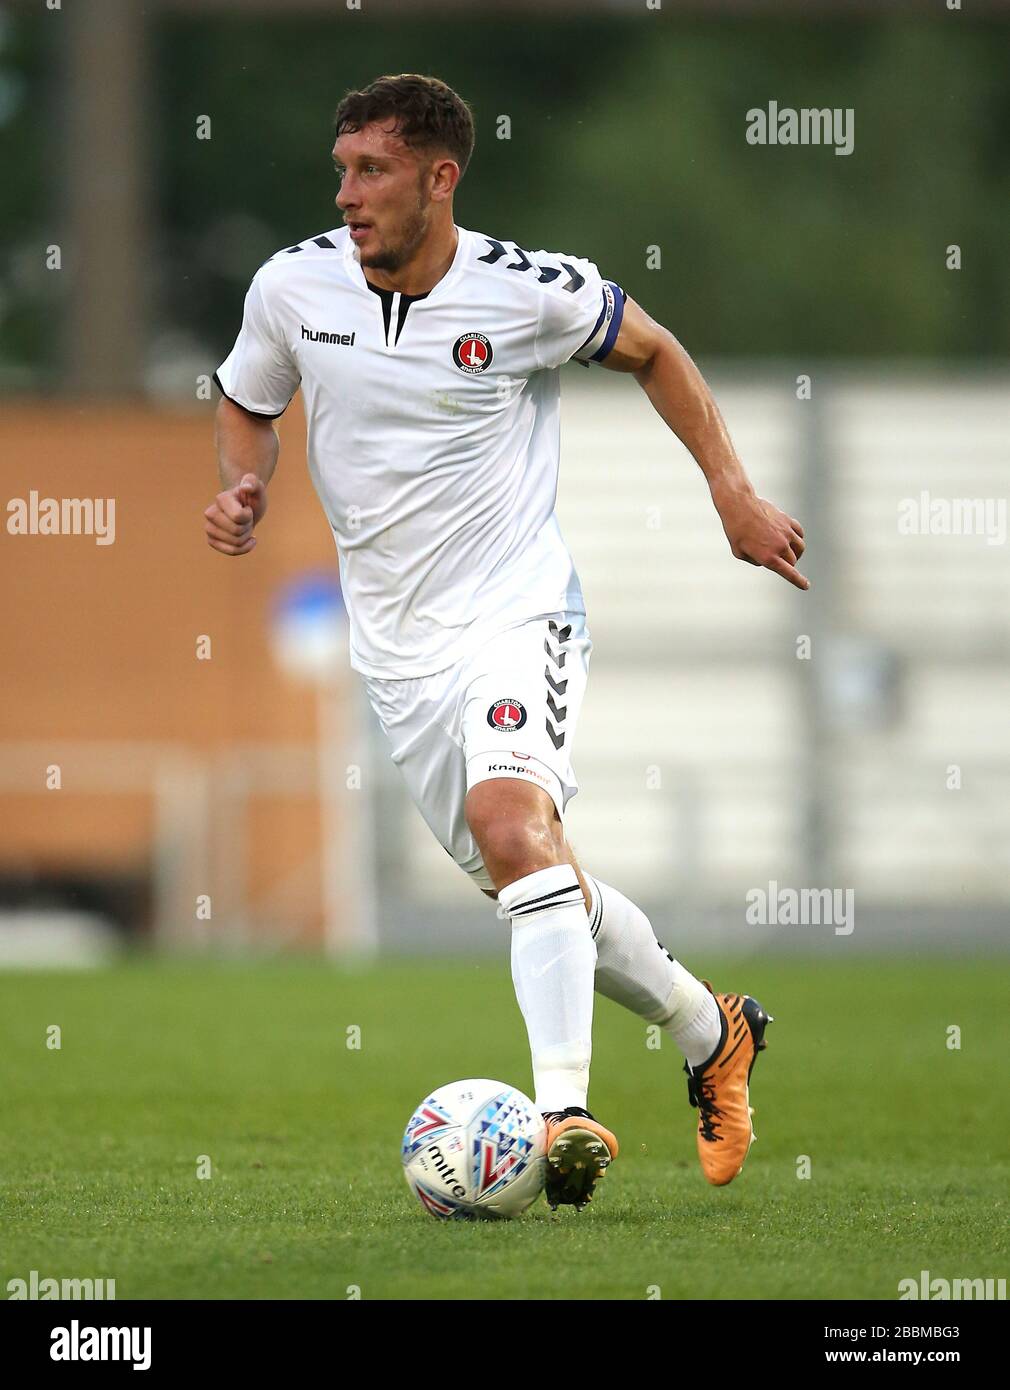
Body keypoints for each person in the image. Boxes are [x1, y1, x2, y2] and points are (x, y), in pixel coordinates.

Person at [206, 73, 805, 1212]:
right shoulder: (292, 288)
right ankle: (707, 1027)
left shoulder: (524, 293)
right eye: (340, 169)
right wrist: (242, 485)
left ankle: (562, 1112)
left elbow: (656, 351)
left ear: (441, 178)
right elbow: (248, 399)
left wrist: (730, 492)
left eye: (371, 170)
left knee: (508, 823)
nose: (346, 194)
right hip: (395, 652)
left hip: (514, 609)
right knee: (533, 874)